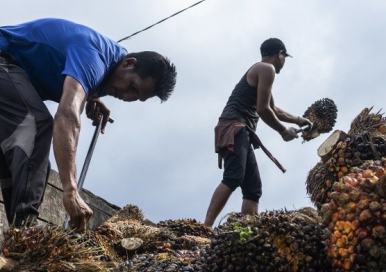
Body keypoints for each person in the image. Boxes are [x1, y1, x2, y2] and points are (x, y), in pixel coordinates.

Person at [0, 18, 177, 231]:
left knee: (28, 162)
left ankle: (16, 236)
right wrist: (70, 190)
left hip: (11, 74)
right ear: (129, 63)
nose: (128, 97)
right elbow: (67, 115)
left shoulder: (108, 68)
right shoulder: (94, 59)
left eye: (136, 97)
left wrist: (92, 96)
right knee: (37, 127)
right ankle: (26, 231)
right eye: (132, 87)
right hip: (4, 58)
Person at [204, 38, 312, 228]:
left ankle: (248, 232)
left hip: (242, 131)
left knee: (253, 189)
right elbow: (263, 110)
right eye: (284, 57)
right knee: (233, 177)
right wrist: (283, 131)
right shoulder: (266, 69)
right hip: (234, 127)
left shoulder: (262, 71)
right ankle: (205, 228)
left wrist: (297, 119)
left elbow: (273, 109)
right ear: (280, 54)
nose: (284, 62)